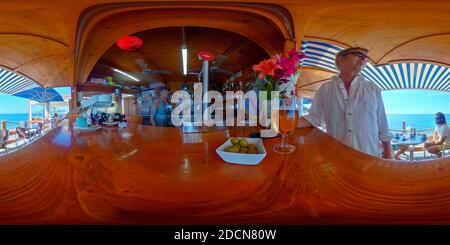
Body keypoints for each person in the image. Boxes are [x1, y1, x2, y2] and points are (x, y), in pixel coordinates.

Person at [297, 47, 393, 158]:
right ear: (340, 59)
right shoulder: (325, 89)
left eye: (366, 57)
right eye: (358, 54)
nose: (364, 58)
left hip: (369, 157)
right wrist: (286, 123)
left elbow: (383, 125)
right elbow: (314, 118)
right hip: (336, 157)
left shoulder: (373, 89)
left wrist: (388, 155)